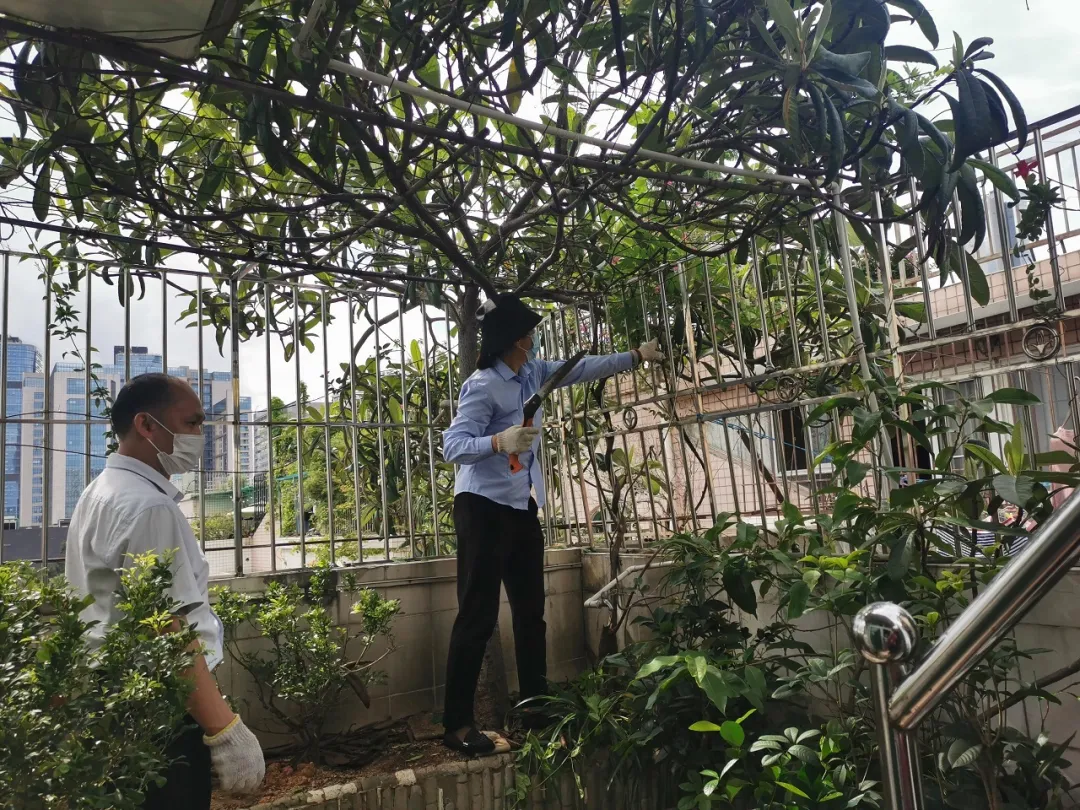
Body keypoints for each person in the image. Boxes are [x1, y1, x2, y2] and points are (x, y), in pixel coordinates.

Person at [440, 293, 664, 754]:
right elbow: (453, 446)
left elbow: (582, 368)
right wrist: (498, 441)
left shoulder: (533, 373)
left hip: (521, 507)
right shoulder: (483, 386)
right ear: (513, 340)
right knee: (477, 616)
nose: (533, 339)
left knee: (531, 614)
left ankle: (537, 711)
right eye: (528, 333)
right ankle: (457, 727)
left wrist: (635, 356)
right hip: (481, 508)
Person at [65, 374, 265, 809]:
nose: (199, 435)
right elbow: (167, 628)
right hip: (161, 710)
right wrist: (225, 730)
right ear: (146, 425)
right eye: (191, 422)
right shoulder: (148, 507)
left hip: (117, 700)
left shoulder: (99, 492)